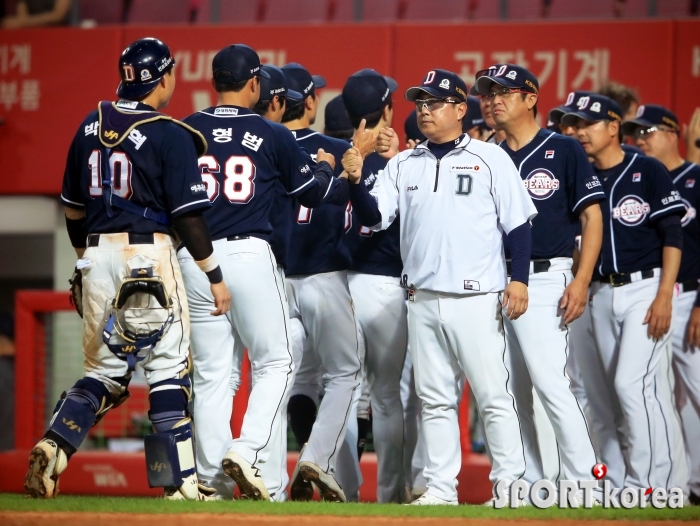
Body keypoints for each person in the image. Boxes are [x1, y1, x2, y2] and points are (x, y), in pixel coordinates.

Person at [24, 37, 231, 500]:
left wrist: (82, 265)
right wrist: (214, 275)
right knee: (167, 370)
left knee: (104, 372)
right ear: (164, 77)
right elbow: (188, 217)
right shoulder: (168, 132)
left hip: (96, 255)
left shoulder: (87, 127)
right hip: (149, 255)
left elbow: (73, 211)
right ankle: (177, 485)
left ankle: (54, 445)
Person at [344, 68, 537, 506]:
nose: (424, 111)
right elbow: (375, 220)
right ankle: (442, 489)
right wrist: (356, 181)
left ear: (460, 109)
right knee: (433, 400)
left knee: (491, 397)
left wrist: (520, 279)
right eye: (420, 103)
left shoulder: (491, 158)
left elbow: (518, 224)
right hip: (422, 298)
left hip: (475, 297)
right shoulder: (405, 164)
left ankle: (511, 488)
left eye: (434, 102)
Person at [180, 46, 348, 501]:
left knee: (215, 375)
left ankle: (212, 484)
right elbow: (312, 193)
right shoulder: (269, 133)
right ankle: (247, 447)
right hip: (249, 254)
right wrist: (335, 173)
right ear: (254, 83)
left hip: (195, 259)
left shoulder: (188, 128)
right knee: (276, 362)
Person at [473, 64, 604, 503]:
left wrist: (582, 279)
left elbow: (592, 216)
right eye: (487, 93)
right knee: (510, 392)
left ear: (531, 98)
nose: (492, 100)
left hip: (547, 278)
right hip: (495, 282)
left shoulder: (563, 148)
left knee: (550, 382)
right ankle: (527, 485)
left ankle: (585, 483)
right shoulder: (487, 154)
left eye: (503, 91)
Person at [563, 94, 685, 493]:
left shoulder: (645, 168)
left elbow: (672, 232)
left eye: (588, 123)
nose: (579, 131)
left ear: (613, 127)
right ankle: (615, 484)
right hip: (599, 292)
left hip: (644, 290)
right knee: (600, 400)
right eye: (574, 123)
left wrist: (665, 293)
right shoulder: (580, 172)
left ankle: (653, 483)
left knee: (632, 386)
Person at [280, 62, 362, 503]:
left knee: (288, 380)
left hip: (274, 279)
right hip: (325, 276)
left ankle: (274, 472)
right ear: (309, 101)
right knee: (345, 373)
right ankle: (317, 457)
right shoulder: (336, 147)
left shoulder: (267, 147)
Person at [341, 68, 411, 503]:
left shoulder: (333, 152)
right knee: (386, 397)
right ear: (387, 109)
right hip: (384, 288)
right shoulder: (399, 163)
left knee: (344, 392)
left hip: (339, 285)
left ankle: (345, 492)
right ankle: (389, 498)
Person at [624, 104, 699, 495]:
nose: (641, 139)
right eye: (637, 132)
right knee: (663, 395)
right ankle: (685, 484)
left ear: (673, 133)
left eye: (649, 131)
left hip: (689, 296)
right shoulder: (640, 179)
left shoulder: (696, 178)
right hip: (652, 296)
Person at [1, 0, 72, 28]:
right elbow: (21, 18)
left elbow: (58, 16)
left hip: (59, 33)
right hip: (33, 33)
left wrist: (23, 21)